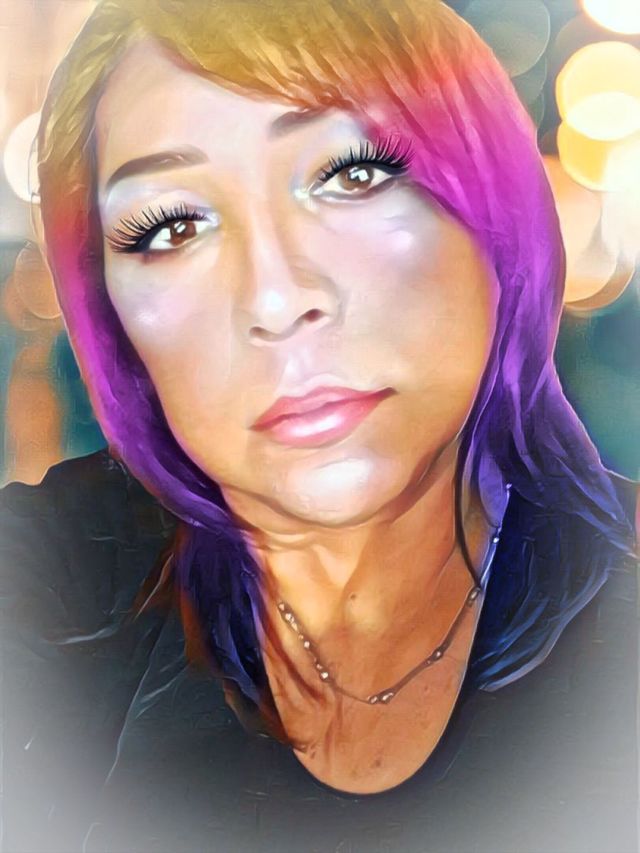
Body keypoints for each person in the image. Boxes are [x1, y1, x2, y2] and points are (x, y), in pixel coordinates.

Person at [1, 0, 637, 850]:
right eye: (174, 227)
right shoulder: (47, 589)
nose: (275, 298)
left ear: (495, 205)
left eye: (353, 174)